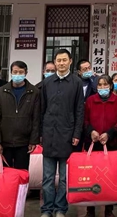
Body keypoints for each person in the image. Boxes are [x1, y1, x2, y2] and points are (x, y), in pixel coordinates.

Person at [40, 49, 85, 217]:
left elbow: (79, 110)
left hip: (67, 135)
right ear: (54, 62)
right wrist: (40, 133)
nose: (61, 63)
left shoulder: (76, 82)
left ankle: (60, 208)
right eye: (58, 60)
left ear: (70, 61)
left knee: (65, 178)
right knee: (48, 178)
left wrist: (76, 134)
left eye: (64, 60)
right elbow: (41, 109)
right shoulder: (47, 82)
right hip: (49, 134)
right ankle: (47, 209)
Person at [84, 75, 117, 217]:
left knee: (110, 177)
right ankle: (90, 210)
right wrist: (91, 131)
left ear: (111, 86)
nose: (102, 87)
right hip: (93, 144)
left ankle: (109, 210)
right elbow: (85, 120)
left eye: (105, 84)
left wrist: (110, 133)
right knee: (92, 177)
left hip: (111, 145)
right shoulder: (90, 101)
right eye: (100, 85)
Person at [0, 60, 41, 171]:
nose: (17, 75)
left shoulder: (34, 92)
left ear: (26, 73)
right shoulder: (0, 92)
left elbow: (36, 119)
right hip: (4, 142)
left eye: (21, 72)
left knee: (21, 174)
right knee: (4, 174)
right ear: (11, 73)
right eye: (15, 72)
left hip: (24, 143)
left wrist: (33, 141)